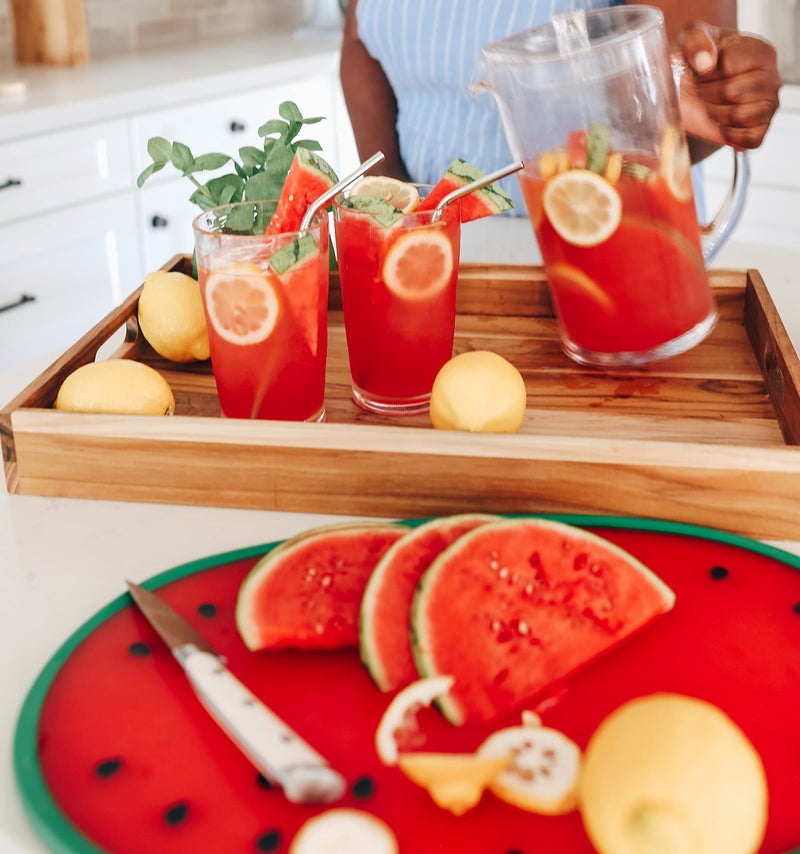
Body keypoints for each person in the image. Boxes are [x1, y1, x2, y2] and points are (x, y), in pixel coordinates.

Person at [340, 0, 782, 219]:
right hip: (434, 257)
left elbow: (693, 85)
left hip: (602, 258)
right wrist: (393, 201)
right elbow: (360, 40)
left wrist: (724, 94)